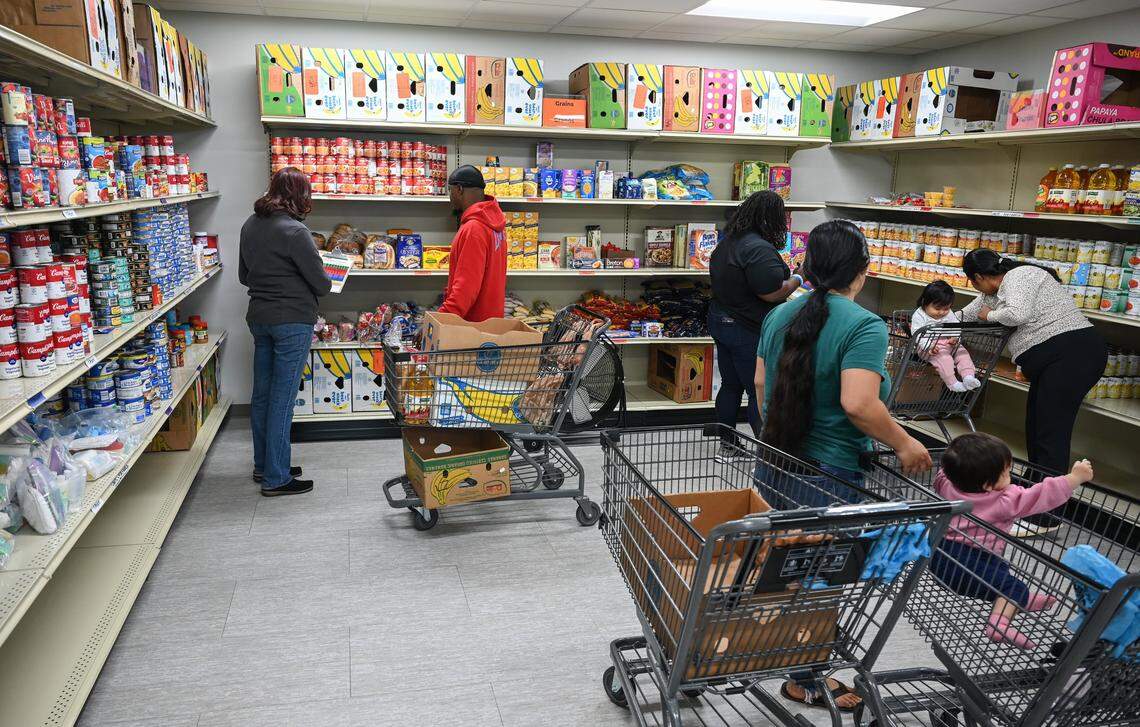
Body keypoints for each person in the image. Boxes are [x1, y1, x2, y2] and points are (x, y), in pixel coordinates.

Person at [754, 219, 932, 712]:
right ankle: (805, 677)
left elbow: (761, 387)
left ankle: (767, 654)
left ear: (807, 269)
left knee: (777, 569)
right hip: (827, 474)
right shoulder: (864, 326)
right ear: (862, 273)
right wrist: (904, 442)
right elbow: (859, 404)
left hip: (773, 462)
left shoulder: (780, 316)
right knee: (819, 578)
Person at [961, 249, 1106, 531]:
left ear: (978, 277)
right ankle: (1031, 497)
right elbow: (966, 315)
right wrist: (930, 320)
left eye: (972, 282)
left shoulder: (1020, 275)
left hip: (1073, 356)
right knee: (1036, 428)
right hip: (1055, 363)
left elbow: (1017, 314)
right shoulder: (995, 292)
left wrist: (990, 315)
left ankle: (1046, 517)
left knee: (1051, 434)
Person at [930, 432, 1093, 649]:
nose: (1010, 476)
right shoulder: (1005, 499)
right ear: (988, 484)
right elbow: (1040, 494)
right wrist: (1074, 478)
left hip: (938, 553)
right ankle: (1000, 622)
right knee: (1009, 586)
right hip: (969, 559)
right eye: (1006, 472)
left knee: (1000, 569)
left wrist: (958, 462)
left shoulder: (948, 485)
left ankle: (1022, 598)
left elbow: (943, 474)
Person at [239, 167, 331, 496]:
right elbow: (321, 283)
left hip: (259, 317)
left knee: (262, 396)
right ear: (298, 196)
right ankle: (277, 478)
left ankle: (266, 464)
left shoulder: (250, 225)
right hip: (291, 320)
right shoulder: (295, 232)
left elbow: (244, 276)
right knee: (283, 399)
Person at [707, 191, 802, 446]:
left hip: (721, 320)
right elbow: (771, 293)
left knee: (730, 385)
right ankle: (768, 450)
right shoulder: (758, 248)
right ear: (772, 217)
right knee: (757, 388)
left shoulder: (729, 242)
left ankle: (727, 442)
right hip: (746, 328)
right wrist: (800, 278)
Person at [437, 165, 506, 322]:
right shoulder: (496, 225)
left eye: (450, 190)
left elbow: (465, 289)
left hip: (471, 327)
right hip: (491, 324)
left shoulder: (474, 228)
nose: (450, 197)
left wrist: (440, 319)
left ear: (459, 189)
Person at [911, 280, 980, 392]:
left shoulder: (949, 313)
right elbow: (917, 335)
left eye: (946, 308)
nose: (942, 312)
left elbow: (955, 326)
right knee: (945, 358)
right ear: (924, 302)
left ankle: (968, 377)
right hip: (929, 347)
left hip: (948, 343)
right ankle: (952, 383)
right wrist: (929, 346)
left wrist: (955, 338)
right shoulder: (919, 315)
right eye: (937, 308)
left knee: (963, 354)